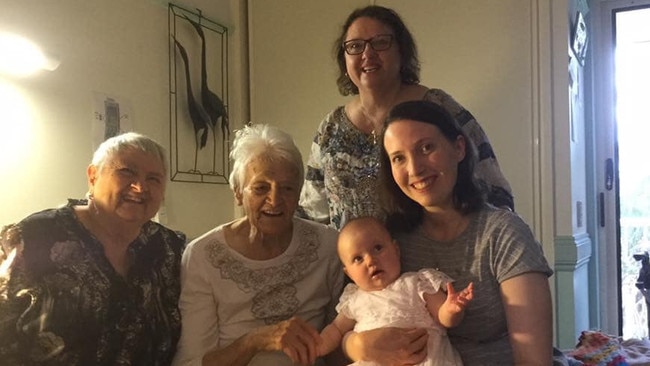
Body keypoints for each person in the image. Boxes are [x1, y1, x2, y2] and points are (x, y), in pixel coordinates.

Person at [342, 100, 554, 365]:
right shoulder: (390, 240)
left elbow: (534, 360)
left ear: (458, 148)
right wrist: (357, 345)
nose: (415, 169)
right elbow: (356, 312)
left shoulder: (503, 234)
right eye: (399, 158)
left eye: (426, 148)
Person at [299, 5, 514, 230]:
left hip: (438, 260)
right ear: (344, 61)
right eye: (355, 46)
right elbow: (311, 216)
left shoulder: (439, 108)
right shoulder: (331, 128)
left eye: (380, 42)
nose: (367, 54)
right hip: (353, 264)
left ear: (402, 52)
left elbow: (496, 193)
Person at [0, 132, 186, 365]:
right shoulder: (37, 236)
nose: (140, 187)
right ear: (93, 176)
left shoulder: (169, 248)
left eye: (154, 179)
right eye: (126, 172)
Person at [173, 124, 344, 366]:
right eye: (260, 188)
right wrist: (255, 341)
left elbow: (339, 336)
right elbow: (191, 362)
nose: (275, 200)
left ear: (298, 193)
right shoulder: (203, 256)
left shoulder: (327, 245)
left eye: (287, 188)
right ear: (237, 192)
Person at [318, 216, 473, 366]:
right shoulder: (353, 299)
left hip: (426, 358)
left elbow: (442, 317)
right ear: (349, 274)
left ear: (396, 250)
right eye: (358, 259)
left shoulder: (416, 282)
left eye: (378, 248)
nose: (371, 261)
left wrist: (451, 309)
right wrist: (319, 345)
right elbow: (336, 329)